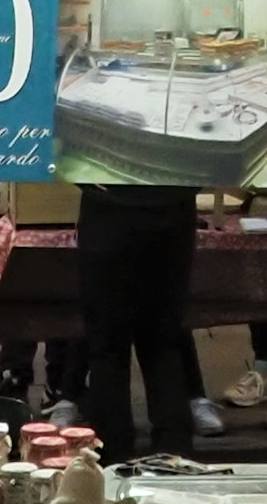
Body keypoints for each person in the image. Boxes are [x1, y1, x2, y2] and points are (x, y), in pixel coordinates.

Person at [73, 175, 212, 461]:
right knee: (164, 341)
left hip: (106, 206)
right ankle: (173, 451)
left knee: (107, 347)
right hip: (172, 203)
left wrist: (86, 182)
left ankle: (111, 454)